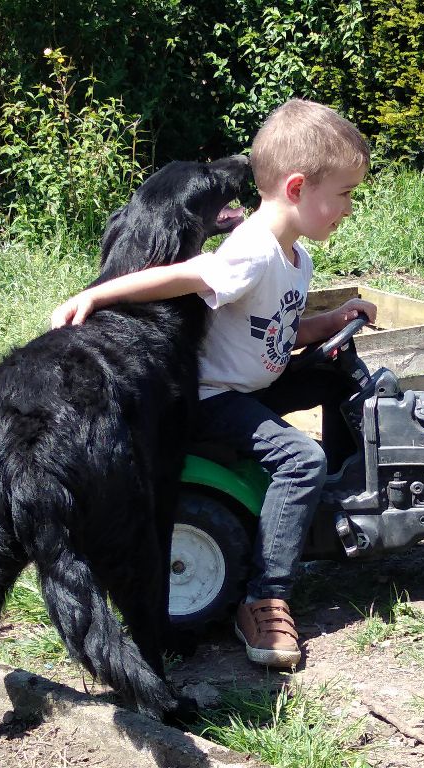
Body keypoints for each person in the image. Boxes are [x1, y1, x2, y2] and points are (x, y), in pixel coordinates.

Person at [51, 98, 377, 668]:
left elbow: (272, 327)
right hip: (212, 399)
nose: (349, 208)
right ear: (298, 188)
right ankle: (265, 596)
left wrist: (327, 325)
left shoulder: (293, 255)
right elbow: (186, 275)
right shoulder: (252, 250)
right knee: (301, 459)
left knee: (336, 383)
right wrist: (96, 294)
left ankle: (343, 504)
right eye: (345, 194)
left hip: (253, 379)